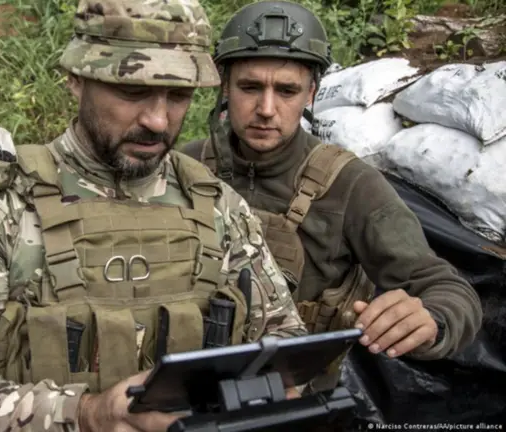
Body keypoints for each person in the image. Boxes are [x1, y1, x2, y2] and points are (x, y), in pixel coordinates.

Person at [0, 1, 309, 431]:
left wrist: (263, 392)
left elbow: (285, 339)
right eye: (132, 91)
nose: (158, 120)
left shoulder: (217, 205)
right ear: (76, 80)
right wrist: (87, 414)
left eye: (179, 96)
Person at [180, 0, 483, 392]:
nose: (266, 109)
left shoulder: (351, 185)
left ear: (311, 94)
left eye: (286, 90)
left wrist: (431, 319)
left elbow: (449, 290)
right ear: (225, 87)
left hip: (292, 397)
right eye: (250, 87)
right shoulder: (185, 166)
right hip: (181, 384)